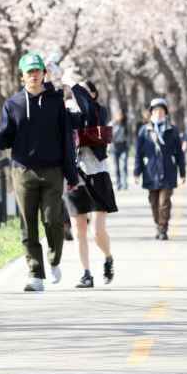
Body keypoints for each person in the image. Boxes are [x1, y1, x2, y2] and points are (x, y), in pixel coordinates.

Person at [0, 52, 79, 292]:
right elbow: (5, 138)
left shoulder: (56, 101)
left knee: (52, 220)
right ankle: (35, 274)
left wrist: (71, 173)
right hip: (22, 171)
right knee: (28, 224)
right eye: (29, 72)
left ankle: (54, 260)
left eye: (37, 71)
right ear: (22, 76)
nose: (33, 75)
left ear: (44, 73)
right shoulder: (13, 104)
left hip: (53, 170)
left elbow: (66, 137)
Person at [64, 81, 117, 288]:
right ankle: (86, 273)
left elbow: (86, 109)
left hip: (97, 175)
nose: (77, 94)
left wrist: (73, 84)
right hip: (73, 176)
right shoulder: (66, 111)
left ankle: (108, 257)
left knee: (97, 231)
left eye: (85, 91)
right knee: (79, 230)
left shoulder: (98, 111)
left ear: (93, 94)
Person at [134, 98, 186, 240]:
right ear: (151, 113)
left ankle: (163, 228)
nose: (159, 113)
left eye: (161, 111)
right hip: (150, 172)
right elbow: (138, 153)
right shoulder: (144, 131)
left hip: (168, 171)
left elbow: (179, 153)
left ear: (166, 113)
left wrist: (182, 173)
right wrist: (137, 172)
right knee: (153, 202)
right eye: (156, 111)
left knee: (164, 202)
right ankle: (158, 224)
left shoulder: (172, 130)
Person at [112, 111, 131, 190]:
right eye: (118, 115)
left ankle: (124, 183)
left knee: (124, 166)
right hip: (115, 147)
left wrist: (128, 146)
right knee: (116, 167)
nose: (120, 117)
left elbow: (129, 136)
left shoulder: (126, 124)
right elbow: (111, 136)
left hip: (124, 146)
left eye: (121, 115)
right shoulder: (112, 124)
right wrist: (117, 126)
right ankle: (118, 183)